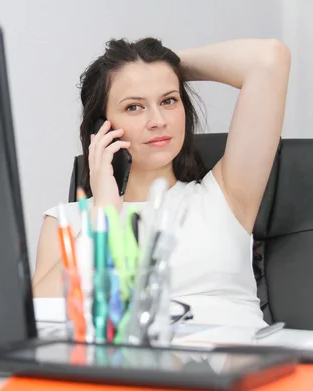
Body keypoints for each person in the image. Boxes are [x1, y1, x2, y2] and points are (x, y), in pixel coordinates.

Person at [32, 37, 291, 328]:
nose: (158, 120)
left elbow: (268, 58)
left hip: (230, 365)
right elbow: (42, 320)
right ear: (101, 127)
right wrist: (103, 211)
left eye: (168, 100)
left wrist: (155, 64)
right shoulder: (68, 221)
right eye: (134, 107)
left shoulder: (225, 196)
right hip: (125, 369)